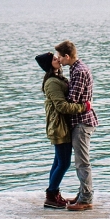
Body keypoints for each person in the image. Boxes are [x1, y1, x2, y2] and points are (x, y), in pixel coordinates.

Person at [34, 52, 91, 209]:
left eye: (57, 57)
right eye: (54, 59)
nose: (57, 59)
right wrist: (83, 107)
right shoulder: (52, 82)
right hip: (59, 127)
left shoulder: (57, 79)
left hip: (62, 125)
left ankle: (53, 194)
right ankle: (51, 195)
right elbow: (62, 106)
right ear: (49, 65)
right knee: (64, 162)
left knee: (58, 161)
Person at [55, 40, 98, 210]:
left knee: (82, 162)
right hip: (80, 120)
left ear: (67, 56)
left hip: (82, 122)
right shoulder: (76, 69)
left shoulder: (79, 72)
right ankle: (82, 194)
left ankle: (86, 199)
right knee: (81, 161)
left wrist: (57, 98)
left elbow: (72, 99)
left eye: (60, 57)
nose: (59, 60)